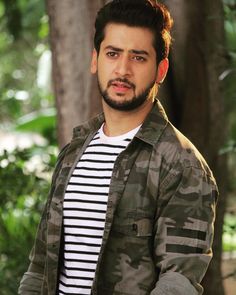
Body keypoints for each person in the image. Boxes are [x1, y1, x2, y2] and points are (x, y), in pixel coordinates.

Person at [19, 0, 218, 294]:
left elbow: (178, 282)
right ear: (95, 59)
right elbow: (39, 266)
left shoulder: (181, 164)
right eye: (113, 54)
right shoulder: (74, 152)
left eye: (138, 58)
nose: (122, 70)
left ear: (160, 70)